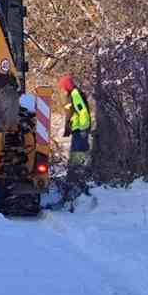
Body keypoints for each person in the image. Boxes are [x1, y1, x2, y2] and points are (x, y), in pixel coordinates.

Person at [58, 74, 91, 203]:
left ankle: (80, 178)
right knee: (76, 155)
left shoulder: (75, 94)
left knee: (79, 154)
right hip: (76, 130)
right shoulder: (72, 94)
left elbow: (82, 112)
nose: (62, 89)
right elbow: (72, 113)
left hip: (80, 131)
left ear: (67, 85)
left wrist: (83, 129)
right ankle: (76, 178)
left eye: (63, 86)